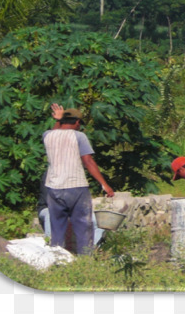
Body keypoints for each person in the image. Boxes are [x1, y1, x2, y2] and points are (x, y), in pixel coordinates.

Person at [43, 103, 114, 255]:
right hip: (76, 187)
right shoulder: (79, 136)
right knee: (83, 227)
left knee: (57, 228)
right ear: (77, 122)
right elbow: (88, 161)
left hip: (53, 188)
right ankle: (85, 262)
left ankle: (57, 260)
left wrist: (58, 119)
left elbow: (55, 131)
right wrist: (104, 184)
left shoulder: (47, 136)